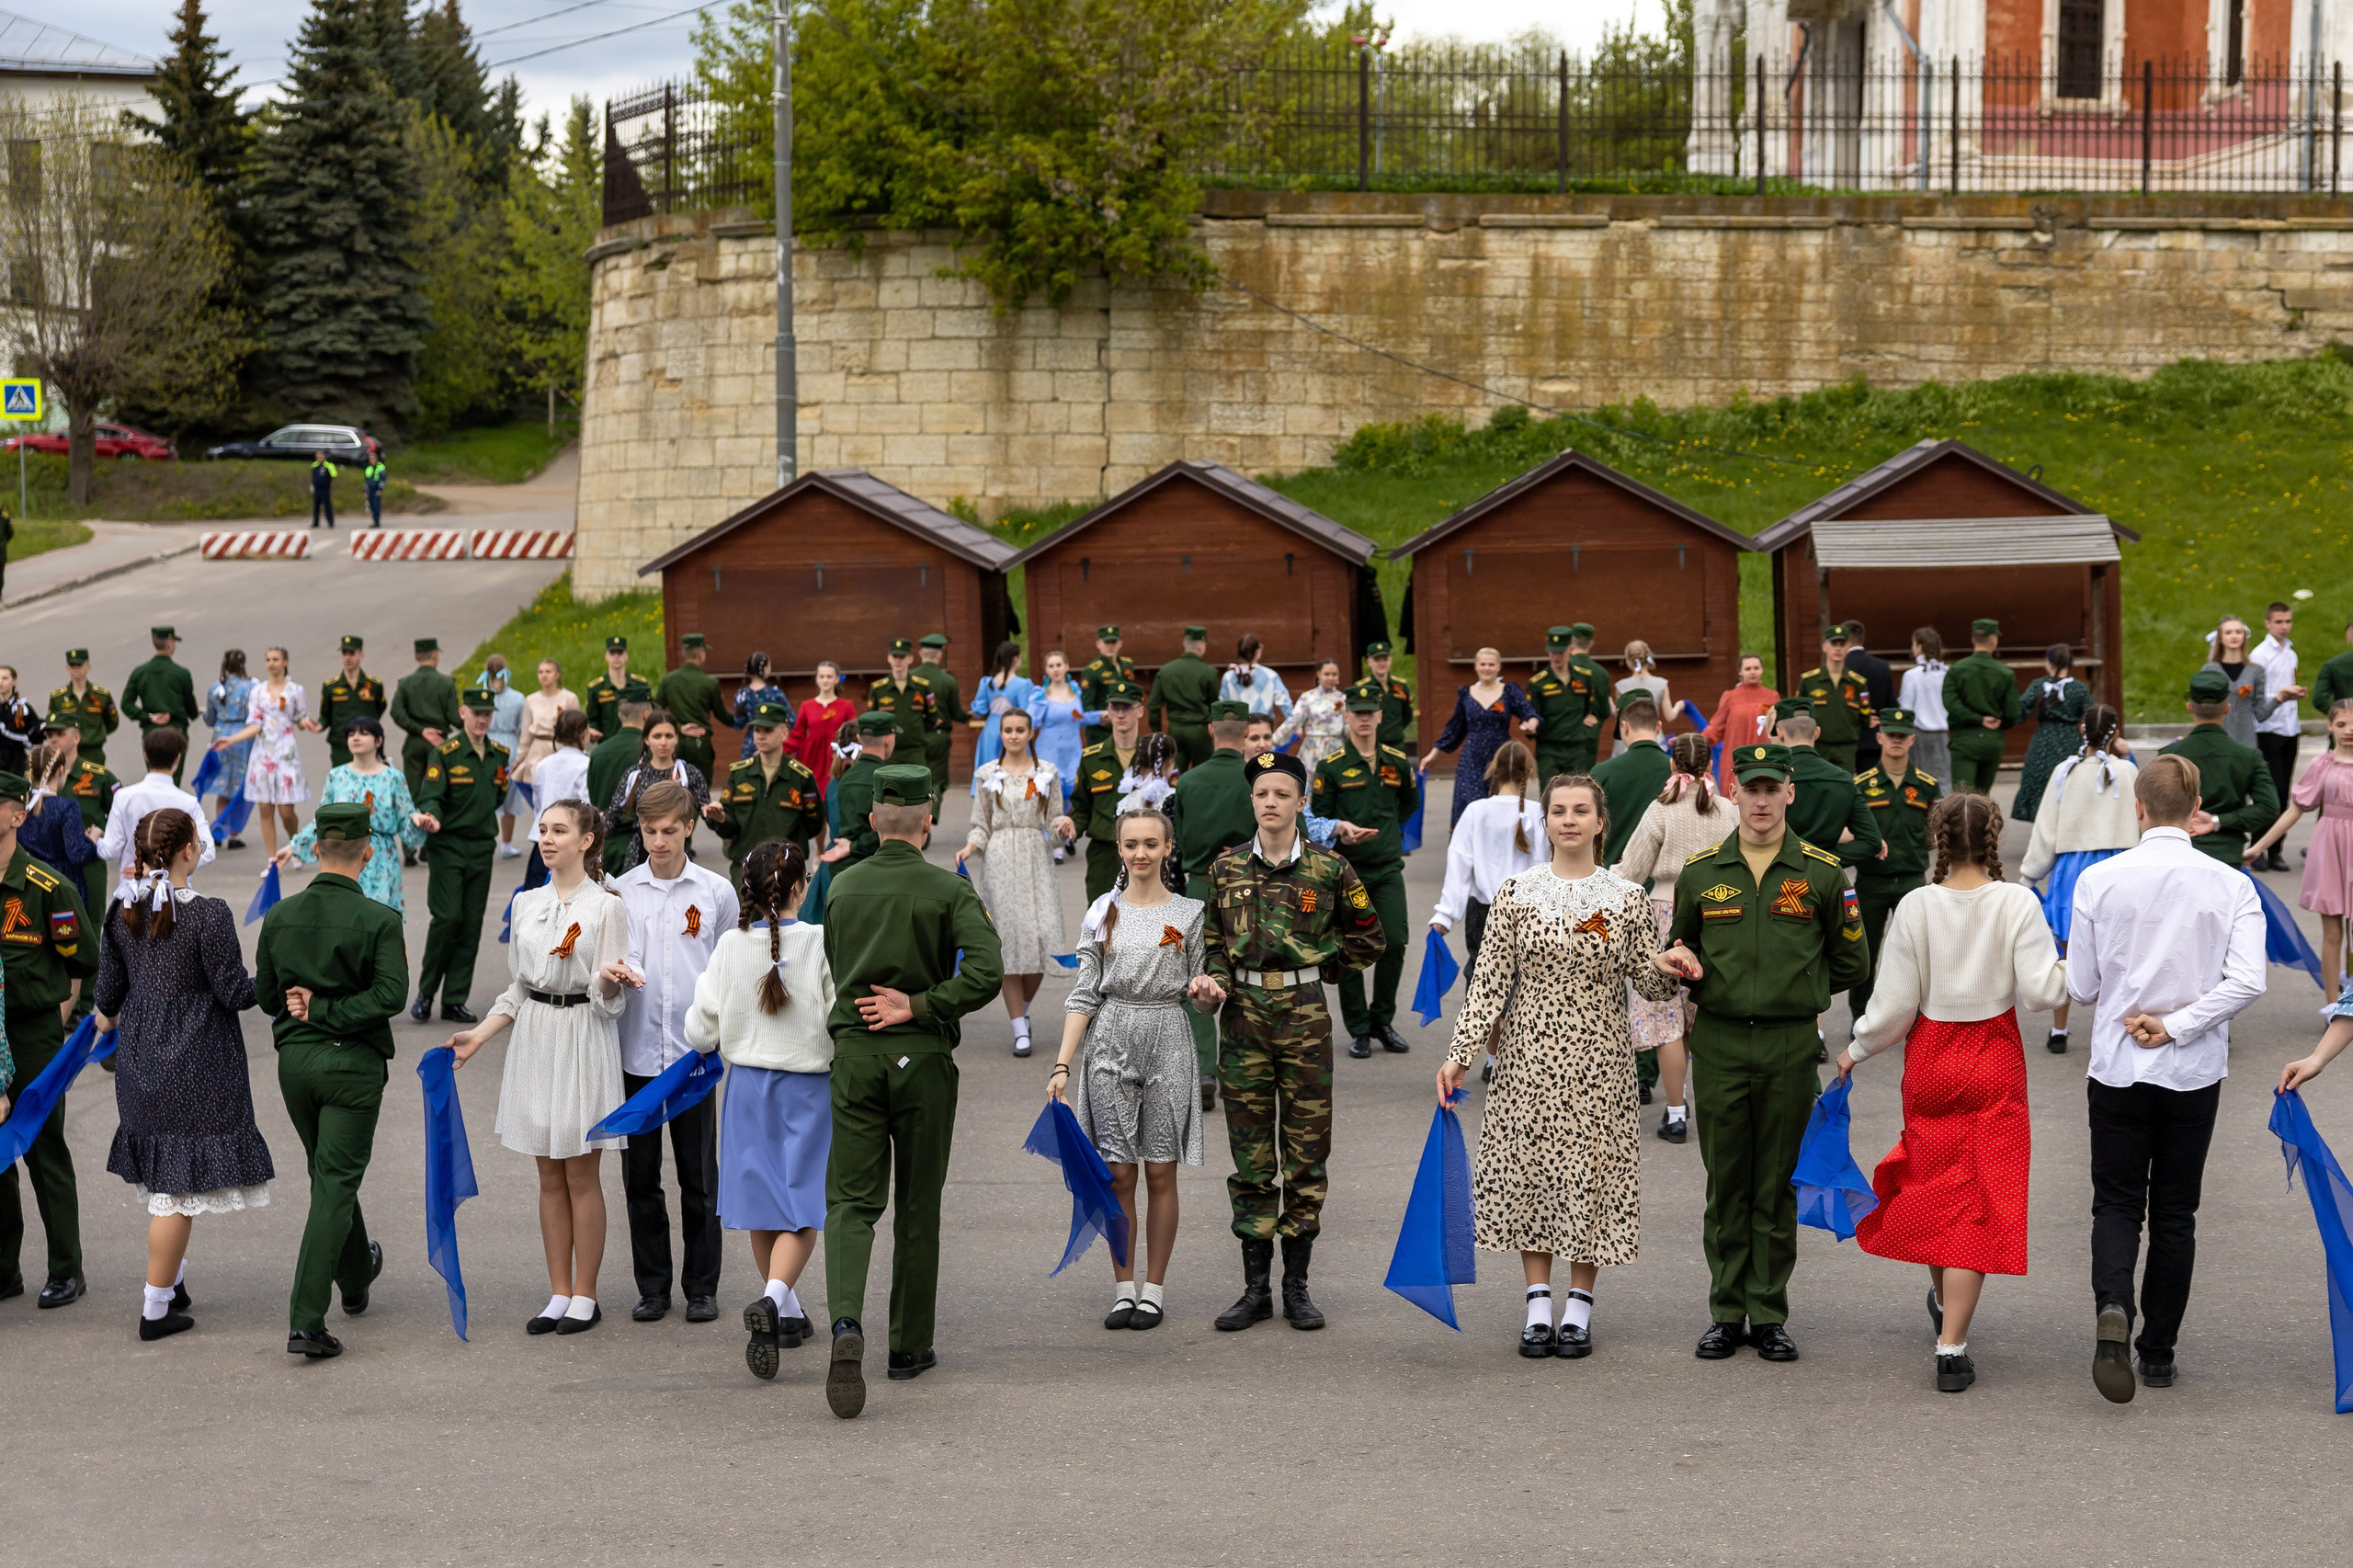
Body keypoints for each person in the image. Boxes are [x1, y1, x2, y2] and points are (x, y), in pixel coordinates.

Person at [1439, 773, 1678, 1358]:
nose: (1568, 820)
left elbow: (1647, 983)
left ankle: (1580, 1305)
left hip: (1601, 1060)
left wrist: (1673, 963)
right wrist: (1460, 1055)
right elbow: (1488, 984)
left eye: (1581, 811)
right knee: (1534, 1173)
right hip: (1527, 1058)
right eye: (1558, 811)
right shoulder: (1515, 893)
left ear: (1601, 823)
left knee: (1593, 1176)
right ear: (1544, 823)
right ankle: (1538, 1302)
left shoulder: (1626, 898)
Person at [1836, 792, 2068, 1393]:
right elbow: (2045, 993)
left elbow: (1892, 1006)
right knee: (1978, 1197)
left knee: (1939, 1186)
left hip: (1933, 1055)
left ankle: (1945, 1306)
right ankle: (1952, 1345)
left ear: (1937, 838)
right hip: (1993, 1053)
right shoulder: (2017, 902)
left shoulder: (1916, 905)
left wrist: (1857, 1049)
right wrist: (2079, 969)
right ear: (1993, 837)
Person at [2063, 752, 2267, 1402]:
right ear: (2196, 808)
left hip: (2120, 1064)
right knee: (2176, 1212)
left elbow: (2086, 987)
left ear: (2139, 806)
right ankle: (2158, 1351)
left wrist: (2148, 1014)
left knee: (2117, 1201)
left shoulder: (2100, 880)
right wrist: (2180, 1024)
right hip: (2192, 1068)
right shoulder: (2229, 883)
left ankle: (2114, 1304)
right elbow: (2249, 980)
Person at [1658, 743, 1869, 1362]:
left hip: (1787, 1046)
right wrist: (1687, 969)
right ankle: (1726, 1312)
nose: (1760, 800)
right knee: (1727, 1184)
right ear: (1735, 791)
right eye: (1750, 788)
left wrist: (1792, 990)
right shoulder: (1702, 873)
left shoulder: (1823, 874)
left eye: (1771, 788)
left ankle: (1769, 1312)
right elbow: (1682, 947)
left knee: (1776, 1184)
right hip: (1720, 1042)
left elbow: (1852, 960)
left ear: (1789, 792)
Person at [818, 765, 1004, 1418]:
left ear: (872, 821)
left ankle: (846, 1325)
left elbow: (836, 964)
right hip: (921, 1057)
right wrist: (924, 1003)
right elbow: (987, 970)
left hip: (856, 1056)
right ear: (928, 823)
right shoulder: (947, 890)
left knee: (849, 1203)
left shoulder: (842, 887)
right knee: (918, 1204)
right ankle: (908, 1347)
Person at [1199, 751, 1384, 1335]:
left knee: (1306, 1155)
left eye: (1283, 793)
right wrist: (1215, 983)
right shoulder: (1226, 868)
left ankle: (1296, 1286)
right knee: (1251, 1156)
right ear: (1251, 802)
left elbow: (1370, 938)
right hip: (1243, 1017)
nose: (1271, 802)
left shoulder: (1330, 870)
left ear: (1302, 802)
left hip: (1304, 1016)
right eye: (1262, 794)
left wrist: (1322, 966)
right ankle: (1254, 1289)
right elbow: (1210, 940)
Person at [447, 800, 632, 1337]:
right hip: (535, 1039)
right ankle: (557, 1290)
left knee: (580, 1171)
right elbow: (519, 988)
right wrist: (478, 1036)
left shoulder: (606, 907)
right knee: (547, 1174)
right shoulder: (526, 902)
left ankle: (586, 1293)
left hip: (582, 1036)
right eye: (543, 830)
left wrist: (611, 981)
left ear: (587, 840)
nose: (547, 839)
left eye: (559, 831)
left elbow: (608, 992)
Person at [95, 806, 270, 1343]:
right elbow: (236, 992)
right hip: (196, 1061)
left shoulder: (122, 908)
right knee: (175, 1192)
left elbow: (107, 997)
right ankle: (153, 1309)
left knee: (165, 1174)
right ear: (189, 850)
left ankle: (170, 1284)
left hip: (141, 1061)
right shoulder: (209, 914)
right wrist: (278, 976)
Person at [255, 801, 408, 1358]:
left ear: (315, 848)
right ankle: (305, 1320)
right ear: (368, 853)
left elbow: (269, 996)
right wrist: (330, 1012)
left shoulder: (279, 915)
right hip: (351, 1066)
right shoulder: (381, 919)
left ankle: (357, 1274)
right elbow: (391, 997)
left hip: (296, 1065)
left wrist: (311, 1009)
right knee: (335, 1184)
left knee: (330, 1176)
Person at [1051, 805, 1207, 1331]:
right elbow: (1083, 992)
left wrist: (1208, 996)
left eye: (1151, 844)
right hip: (1111, 1038)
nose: (1141, 853)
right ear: (1119, 850)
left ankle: (1154, 1290)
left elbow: (1203, 990)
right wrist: (1062, 1064)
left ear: (1168, 849)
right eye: (1131, 844)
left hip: (1168, 1036)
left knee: (1161, 1169)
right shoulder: (1102, 913)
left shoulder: (1188, 913)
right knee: (1119, 1173)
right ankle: (1123, 1289)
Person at [687, 838, 834, 1380]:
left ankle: (785, 1312)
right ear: (802, 886)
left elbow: (701, 1028)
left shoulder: (729, 946)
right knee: (804, 1204)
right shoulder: (820, 941)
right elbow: (836, 1014)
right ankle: (775, 1300)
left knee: (762, 1201)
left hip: (746, 1086)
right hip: (807, 1087)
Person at [612, 780, 738, 1324]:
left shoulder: (714, 892)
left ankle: (702, 1286)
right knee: (640, 1178)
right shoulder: (620, 891)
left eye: (668, 831)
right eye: (648, 831)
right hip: (636, 1054)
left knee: (698, 1175)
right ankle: (653, 1287)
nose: (658, 841)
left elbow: (728, 965)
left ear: (689, 826)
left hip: (692, 1056)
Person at [0, 769, 98, 1309]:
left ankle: (66, 1268)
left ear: (18, 815)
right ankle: (4, 1268)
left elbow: (84, 957)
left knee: (43, 1149)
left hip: (33, 1032)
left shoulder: (46, 886)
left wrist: (62, 1011)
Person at [1611, 733, 1725, 1142]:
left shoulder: (1661, 810)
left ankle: (1675, 1113)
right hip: (1718, 913)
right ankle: (1708, 1102)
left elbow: (1631, 871)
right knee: (1699, 1012)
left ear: (1673, 766)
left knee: (1665, 1019)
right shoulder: (1727, 810)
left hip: (1662, 913)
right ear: (1709, 766)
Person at [2019, 705, 2138, 1053]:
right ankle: (2118, 1026)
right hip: (2120, 864)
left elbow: (2045, 830)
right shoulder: (2126, 772)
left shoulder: (2064, 772)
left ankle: (2060, 1030)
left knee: (2070, 955)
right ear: (2114, 733)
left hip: (2073, 869)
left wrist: (2029, 875)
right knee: (2121, 953)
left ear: (2080, 730)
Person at [1313, 686, 1420, 1059]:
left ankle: (1382, 1020)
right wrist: (1341, 827)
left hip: (1388, 868)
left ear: (1379, 715)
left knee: (1395, 940)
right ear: (1346, 716)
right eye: (1355, 712)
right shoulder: (1332, 765)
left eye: (1368, 712)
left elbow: (1409, 803)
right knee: (1351, 948)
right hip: (1349, 872)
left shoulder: (1397, 760)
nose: (1362, 718)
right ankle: (1358, 1029)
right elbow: (1317, 817)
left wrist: (1389, 832)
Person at [958, 707, 1065, 1059]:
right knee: (1006, 943)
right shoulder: (987, 774)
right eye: (1008, 730)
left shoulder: (1047, 772)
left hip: (1036, 859)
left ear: (1031, 733)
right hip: (1000, 861)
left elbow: (1054, 824)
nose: (1014, 735)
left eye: (1021, 729)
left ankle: (1026, 1008)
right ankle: (1019, 1025)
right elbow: (981, 823)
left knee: (1040, 941)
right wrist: (971, 846)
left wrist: (1064, 829)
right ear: (1000, 734)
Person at [1170, 701, 1258, 1112]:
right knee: (1247, 972)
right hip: (1250, 886)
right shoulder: (1256, 780)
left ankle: (1205, 1069)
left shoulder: (1187, 781)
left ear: (1210, 729)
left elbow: (1182, 842)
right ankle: (1242, 1069)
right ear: (1245, 731)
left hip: (1198, 886)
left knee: (1198, 976)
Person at [409, 687, 511, 1024]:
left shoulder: (499, 754)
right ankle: (426, 993)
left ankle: (454, 998)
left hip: (481, 847)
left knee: (470, 924)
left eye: (488, 714)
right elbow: (431, 795)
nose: (482, 719)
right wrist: (432, 815)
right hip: (449, 846)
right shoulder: (447, 753)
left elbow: (497, 797)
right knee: (448, 918)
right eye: (476, 713)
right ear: (463, 713)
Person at [2244, 698, 2353, 994]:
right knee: (2332, 933)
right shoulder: (2321, 765)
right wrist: (2259, 846)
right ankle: (2334, 1004)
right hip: (2330, 847)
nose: (2348, 731)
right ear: (2330, 726)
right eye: (2341, 724)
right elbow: (2295, 809)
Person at [1849, 709, 1944, 1026]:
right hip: (1871, 882)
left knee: (1916, 954)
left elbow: (1939, 832)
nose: (1896, 741)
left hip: (1912, 880)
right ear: (1879, 737)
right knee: (1865, 953)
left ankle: (1919, 1019)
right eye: (1891, 735)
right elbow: (1848, 829)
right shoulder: (1861, 785)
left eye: (1902, 736)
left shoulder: (1927, 785)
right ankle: (1861, 1017)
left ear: (1912, 740)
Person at [278, 717, 426, 913]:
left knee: (378, 918)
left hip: (380, 860)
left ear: (378, 741)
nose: (355, 738)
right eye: (351, 734)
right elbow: (322, 820)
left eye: (363, 733)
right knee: (342, 916)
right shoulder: (337, 776)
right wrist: (293, 847)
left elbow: (406, 821)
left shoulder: (393, 778)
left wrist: (416, 821)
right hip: (341, 855)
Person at [2160, 669, 2281, 865]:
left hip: (2181, 854)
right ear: (2227, 708)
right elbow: (2269, 807)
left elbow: (2158, 808)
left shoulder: (2170, 755)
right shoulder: (2249, 756)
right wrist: (2218, 821)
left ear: (2190, 707)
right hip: (2228, 855)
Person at [1053, 679, 1152, 904]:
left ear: (1140, 711)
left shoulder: (1154, 756)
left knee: (1150, 920)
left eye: (1127, 708)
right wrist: (1072, 826)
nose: (1120, 714)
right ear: (1107, 711)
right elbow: (1082, 807)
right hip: (1105, 853)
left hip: (1147, 853)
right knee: (1101, 922)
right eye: (1115, 708)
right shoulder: (1091, 758)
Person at [1422, 647, 1540, 828]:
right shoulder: (1466, 694)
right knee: (1471, 803)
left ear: (1498, 667)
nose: (1487, 668)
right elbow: (1454, 728)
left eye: (1491, 664)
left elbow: (1529, 712)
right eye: (1483, 664)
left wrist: (1531, 723)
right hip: (1472, 757)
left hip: (1501, 756)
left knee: (1501, 803)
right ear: (1476, 666)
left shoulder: (1509, 691)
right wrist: (1433, 755)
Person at [210, 646, 309, 861]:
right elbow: (255, 724)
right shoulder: (258, 691)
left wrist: (306, 723)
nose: (271, 663)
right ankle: (272, 859)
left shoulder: (295, 690)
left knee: (285, 811)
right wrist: (231, 739)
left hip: (285, 753)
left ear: (285, 662)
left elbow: (300, 718)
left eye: (275, 659)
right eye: (268, 659)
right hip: (263, 755)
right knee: (265, 808)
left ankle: (296, 846)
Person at [97, 728, 215, 902]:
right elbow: (207, 850)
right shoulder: (188, 803)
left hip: (133, 895)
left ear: (146, 756)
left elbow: (110, 850)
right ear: (177, 759)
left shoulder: (124, 797)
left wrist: (96, 839)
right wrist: (165, 866)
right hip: (176, 896)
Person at [713, 699, 822, 887]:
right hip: (745, 868)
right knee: (745, 917)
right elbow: (729, 828)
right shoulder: (739, 775)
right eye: (757, 730)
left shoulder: (801, 777)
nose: (761, 736)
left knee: (784, 917)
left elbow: (813, 823)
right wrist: (721, 819)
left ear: (785, 733)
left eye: (768, 730)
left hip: (785, 869)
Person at [601, 709, 716, 875]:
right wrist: (592, 827)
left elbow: (709, 816)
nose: (663, 742)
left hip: (678, 854)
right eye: (657, 736)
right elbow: (613, 817)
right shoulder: (634, 775)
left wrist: (716, 815)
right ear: (646, 739)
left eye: (669, 736)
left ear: (677, 738)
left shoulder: (688, 774)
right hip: (640, 855)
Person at [1775, 699, 1881, 867]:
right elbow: (1871, 841)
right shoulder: (1843, 779)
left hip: (1779, 876)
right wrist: (1823, 861)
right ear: (1817, 732)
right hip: (1826, 886)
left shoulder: (1772, 779)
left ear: (1780, 733)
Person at [2249, 601, 2303, 871]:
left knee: (2285, 792)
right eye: (2279, 622)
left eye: (2288, 621)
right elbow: (2259, 697)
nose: (2285, 626)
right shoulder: (2260, 655)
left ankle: (2276, 850)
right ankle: (2257, 846)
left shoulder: (2290, 652)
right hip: (2267, 729)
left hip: (2289, 727)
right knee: (2271, 791)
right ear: (2267, 623)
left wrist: (2294, 694)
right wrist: (2283, 695)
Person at [2011, 644, 2091, 825]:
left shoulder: (2039, 685)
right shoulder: (2079, 689)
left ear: (2049, 663)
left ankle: (2042, 832)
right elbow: (2091, 717)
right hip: (2070, 741)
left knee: (2041, 783)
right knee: (2067, 784)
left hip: (2042, 741)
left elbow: (2019, 711)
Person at [1589, 689, 1670, 865]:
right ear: (1658, 727)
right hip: (1665, 883)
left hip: (1613, 879)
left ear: (1624, 727)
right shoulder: (1680, 772)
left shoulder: (1602, 773)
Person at [1942, 619, 2020, 797]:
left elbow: (1950, 703)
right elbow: (2013, 712)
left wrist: (1977, 719)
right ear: (1994, 640)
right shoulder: (2005, 673)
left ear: (1973, 639)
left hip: (1964, 739)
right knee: (1982, 797)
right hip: (1992, 739)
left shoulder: (1956, 670)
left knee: (1962, 796)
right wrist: (1999, 723)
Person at [390, 639, 461, 829]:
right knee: (435, 792)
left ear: (416, 656)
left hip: (414, 742)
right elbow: (455, 717)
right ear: (435, 655)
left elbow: (396, 712)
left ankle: (410, 847)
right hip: (438, 744)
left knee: (411, 793)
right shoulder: (446, 683)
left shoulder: (405, 684)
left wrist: (420, 730)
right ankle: (429, 842)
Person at [524, 710, 594, 892]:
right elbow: (586, 804)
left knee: (535, 891)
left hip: (543, 835)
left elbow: (537, 801)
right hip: (571, 838)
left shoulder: (544, 764)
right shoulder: (586, 764)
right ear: (584, 734)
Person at [1526, 625, 1607, 781]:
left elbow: (1591, 705)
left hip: (1576, 749)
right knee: (1550, 795)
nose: (1557, 657)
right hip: (1549, 750)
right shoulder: (1537, 683)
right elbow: (1533, 714)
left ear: (1570, 649)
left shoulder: (1584, 677)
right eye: (1553, 652)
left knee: (1578, 792)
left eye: (1561, 652)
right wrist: (1530, 728)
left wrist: (1587, 718)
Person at [122, 627, 199, 787]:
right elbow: (191, 708)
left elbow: (126, 704)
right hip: (176, 731)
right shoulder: (181, 673)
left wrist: (148, 716)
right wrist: (194, 711)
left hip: (152, 733)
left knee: (155, 777)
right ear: (170, 644)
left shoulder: (140, 672)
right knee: (173, 780)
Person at [511, 657, 581, 827]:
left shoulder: (569, 698)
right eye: (540, 672)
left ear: (557, 674)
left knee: (563, 795)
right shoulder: (531, 700)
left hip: (561, 747)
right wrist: (518, 759)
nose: (544, 675)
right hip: (538, 749)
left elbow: (577, 727)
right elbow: (526, 733)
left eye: (548, 671)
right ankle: (542, 829)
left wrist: (579, 750)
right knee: (540, 794)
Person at [1793, 626, 1872, 775]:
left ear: (1848, 647)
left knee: (1844, 788)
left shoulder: (1857, 683)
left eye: (1842, 645)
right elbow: (1799, 714)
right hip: (1818, 746)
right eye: (1833, 644)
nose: (1838, 649)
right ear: (1824, 646)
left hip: (1846, 748)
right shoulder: (1809, 681)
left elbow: (1865, 717)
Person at [824, 712, 899, 872]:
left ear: (860, 738)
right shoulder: (888, 778)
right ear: (888, 739)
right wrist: (854, 846)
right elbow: (890, 830)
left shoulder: (845, 777)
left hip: (842, 866)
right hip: (878, 867)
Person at [1028, 653, 1097, 817]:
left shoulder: (1075, 691)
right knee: (1049, 791)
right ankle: (1047, 833)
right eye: (1051, 666)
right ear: (1046, 670)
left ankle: (1062, 833)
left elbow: (1079, 719)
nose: (1056, 669)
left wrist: (1100, 717)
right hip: (1050, 750)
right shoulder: (1041, 695)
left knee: (1072, 791)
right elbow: (1028, 722)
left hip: (1072, 750)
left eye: (1059, 665)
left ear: (1066, 667)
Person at [655, 632, 726, 784]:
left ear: (683, 653)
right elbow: (722, 715)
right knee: (701, 789)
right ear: (701, 654)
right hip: (701, 743)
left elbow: (657, 710)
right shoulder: (710, 683)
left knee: (676, 790)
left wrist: (678, 727)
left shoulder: (668, 680)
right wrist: (740, 718)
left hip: (677, 742)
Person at [1703, 653, 1780, 791]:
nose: (1752, 672)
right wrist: (1694, 740)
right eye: (1748, 668)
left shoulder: (1772, 696)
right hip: (1736, 759)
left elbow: (1779, 729)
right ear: (1740, 671)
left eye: (1756, 668)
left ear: (1762, 670)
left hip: (1764, 758)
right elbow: (1715, 729)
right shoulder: (1730, 697)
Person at [1148, 626, 1221, 770]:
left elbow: (1153, 705)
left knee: (1173, 774)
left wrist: (1158, 734)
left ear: (1184, 644)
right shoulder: (1209, 673)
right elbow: (1215, 707)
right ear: (1200, 645)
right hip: (1200, 732)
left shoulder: (1165, 671)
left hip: (1175, 730)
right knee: (1203, 774)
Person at [779, 659, 854, 794]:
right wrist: (777, 749)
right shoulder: (806, 706)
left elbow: (853, 734)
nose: (825, 680)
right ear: (817, 679)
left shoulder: (846, 705)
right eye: (822, 676)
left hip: (836, 760)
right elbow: (797, 736)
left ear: (837, 679)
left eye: (829, 677)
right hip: (811, 759)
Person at [315, 635, 388, 772]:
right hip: (341, 746)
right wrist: (319, 725)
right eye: (344, 653)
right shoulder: (331, 686)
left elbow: (380, 708)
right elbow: (325, 715)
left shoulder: (374, 685)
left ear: (361, 655)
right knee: (343, 785)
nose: (348, 658)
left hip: (368, 747)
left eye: (352, 653)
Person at [914, 632, 971, 798]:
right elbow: (956, 712)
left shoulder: (911, 678)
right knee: (937, 780)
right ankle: (932, 813)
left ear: (919, 653)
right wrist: (969, 717)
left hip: (916, 736)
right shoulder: (948, 681)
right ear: (940, 654)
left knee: (916, 777)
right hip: (939, 737)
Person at [483, 656, 529, 858]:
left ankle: (485, 840)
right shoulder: (518, 698)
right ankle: (507, 844)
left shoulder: (482, 696)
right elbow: (521, 727)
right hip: (509, 748)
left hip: (487, 746)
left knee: (485, 794)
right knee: (508, 794)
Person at [971, 641, 1036, 780]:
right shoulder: (1023, 684)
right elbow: (1027, 713)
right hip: (1014, 728)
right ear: (1016, 658)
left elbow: (979, 710)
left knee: (989, 770)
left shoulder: (987, 682)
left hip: (990, 729)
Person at [1839, 620, 1898, 776]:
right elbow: (1891, 705)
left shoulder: (1838, 668)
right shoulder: (1881, 666)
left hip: (1844, 740)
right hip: (1873, 739)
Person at [1273, 659, 1350, 772]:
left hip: (1336, 747)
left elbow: (1348, 726)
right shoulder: (1308, 697)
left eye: (1334, 674)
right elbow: (1294, 721)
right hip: (1312, 748)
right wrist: (1274, 739)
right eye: (1327, 674)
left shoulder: (1343, 699)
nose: (1330, 678)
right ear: (1319, 675)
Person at [45, 648, 118, 767]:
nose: (75, 669)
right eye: (72, 665)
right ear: (67, 668)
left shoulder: (101, 695)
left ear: (88, 667)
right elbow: (51, 723)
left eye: (79, 665)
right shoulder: (58, 697)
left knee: (94, 783)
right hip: (67, 751)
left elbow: (112, 721)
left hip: (93, 752)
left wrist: (96, 734)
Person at [867, 637, 937, 759]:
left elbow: (932, 716)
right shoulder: (878, 688)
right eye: (895, 657)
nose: (898, 661)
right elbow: (871, 718)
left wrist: (920, 734)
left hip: (916, 750)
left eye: (902, 657)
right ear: (889, 658)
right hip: (888, 751)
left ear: (910, 659)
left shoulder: (922, 686)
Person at [1898, 628, 1951, 785]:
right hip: (1943, 732)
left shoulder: (1912, 675)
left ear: (1919, 646)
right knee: (1943, 777)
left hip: (1920, 733)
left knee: (1921, 778)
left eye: (1913, 644)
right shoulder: (1947, 672)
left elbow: (1906, 709)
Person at [585, 699, 647, 827]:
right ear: (646, 715)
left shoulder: (598, 753)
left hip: (605, 836)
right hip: (643, 836)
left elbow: (592, 795)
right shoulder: (651, 752)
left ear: (619, 715)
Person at [1074, 625, 1137, 753]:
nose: (1110, 646)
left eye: (1113, 642)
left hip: (1125, 727)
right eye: (1106, 642)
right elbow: (1087, 704)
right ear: (1098, 644)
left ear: (1120, 644)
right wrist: (1099, 717)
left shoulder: (1127, 664)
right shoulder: (1091, 671)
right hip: (1101, 731)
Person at [585, 635, 654, 743]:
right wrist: (594, 732)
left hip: (637, 740)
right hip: (608, 741)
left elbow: (650, 710)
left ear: (626, 656)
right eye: (612, 653)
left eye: (620, 653)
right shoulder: (596, 688)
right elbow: (592, 718)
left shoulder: (640, 684)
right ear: (606, 656)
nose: (616, 657)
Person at [1611, 640, 1672, 753]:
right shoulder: (1661, 684)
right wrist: (1680, 705)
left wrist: (1611, 707)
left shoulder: (1621, 686)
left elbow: (1619, 716)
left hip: (1627, 739)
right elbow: (1669, 716)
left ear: (1629, 661)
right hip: (1654, 736)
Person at [1219, 633, 1291, 721]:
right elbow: (1285, 704)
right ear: (1257, 652)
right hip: (1263, 728)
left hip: (1239, 729)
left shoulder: (1228, 676)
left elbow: (1222, 706)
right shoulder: (1271, 676)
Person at [1362, 640, 1414, 755]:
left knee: (1397, 772)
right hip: (1373, 744)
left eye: (1385, 659)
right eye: (1377, 660)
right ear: (1369, 662)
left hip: (1397, 744)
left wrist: (1396, 730)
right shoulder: (1363, 689)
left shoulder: (1401, 686)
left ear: (1390, 660)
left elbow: (1407, 714)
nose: (1382, 663)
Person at [0, 667, 40, 780]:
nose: (0, 682)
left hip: (17, 765)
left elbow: (34, 739)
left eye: (5, 678)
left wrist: (41, 728)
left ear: (14, 681)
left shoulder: (23, 709)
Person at [308, 450, 337, 528]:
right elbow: (313, 476)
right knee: (316, 506)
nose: (319, 458)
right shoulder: (314, 465)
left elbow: (334, 475)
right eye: (318, 457)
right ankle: (316, 522)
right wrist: (312, 485)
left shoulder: (329, 465)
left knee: (327, 506)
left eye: (320, 457)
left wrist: (327, 483)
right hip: (317, 488)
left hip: (325, 488)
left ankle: (330, 522)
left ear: (324, 457)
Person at [362, 453, 387, 527]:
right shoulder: (368, 469)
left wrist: (380, 489)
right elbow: (366, 481)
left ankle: (377, 522)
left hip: (376, 490)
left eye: (373, 459)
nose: (372, 461)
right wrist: (365, 490)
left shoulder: (381, 468)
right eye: (370, 459)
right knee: (372, 506)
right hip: (370, 490)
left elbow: (383, 480)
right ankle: (374, 521)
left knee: (376, 506)